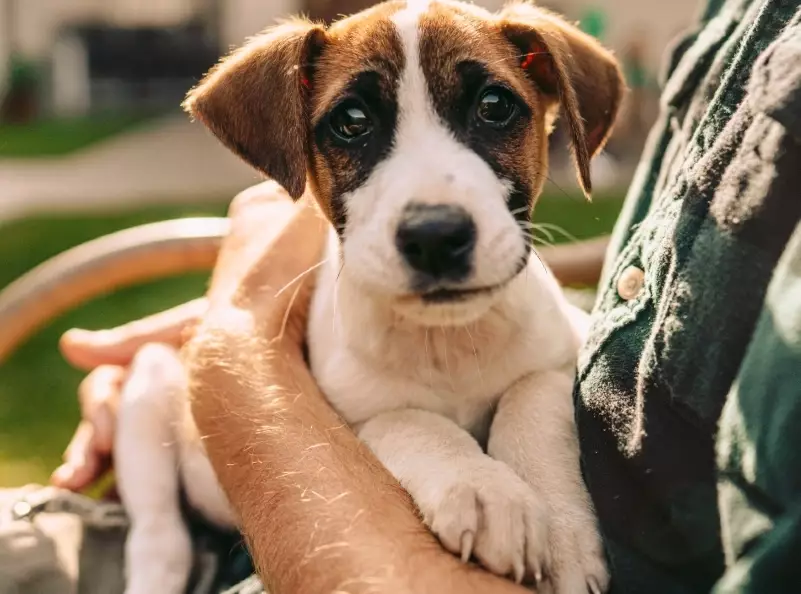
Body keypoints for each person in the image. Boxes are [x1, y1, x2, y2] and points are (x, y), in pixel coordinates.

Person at [45, 0, 801, 591]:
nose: (434, 211)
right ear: (288, 146)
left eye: (495, 110)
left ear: (555, 105)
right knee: (149, 387)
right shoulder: (335, 344)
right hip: (206, 512)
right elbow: (367, 420)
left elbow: (547, 368)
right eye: (351, 122)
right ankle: (158, 548)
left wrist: (533, 438)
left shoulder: (543, 338)